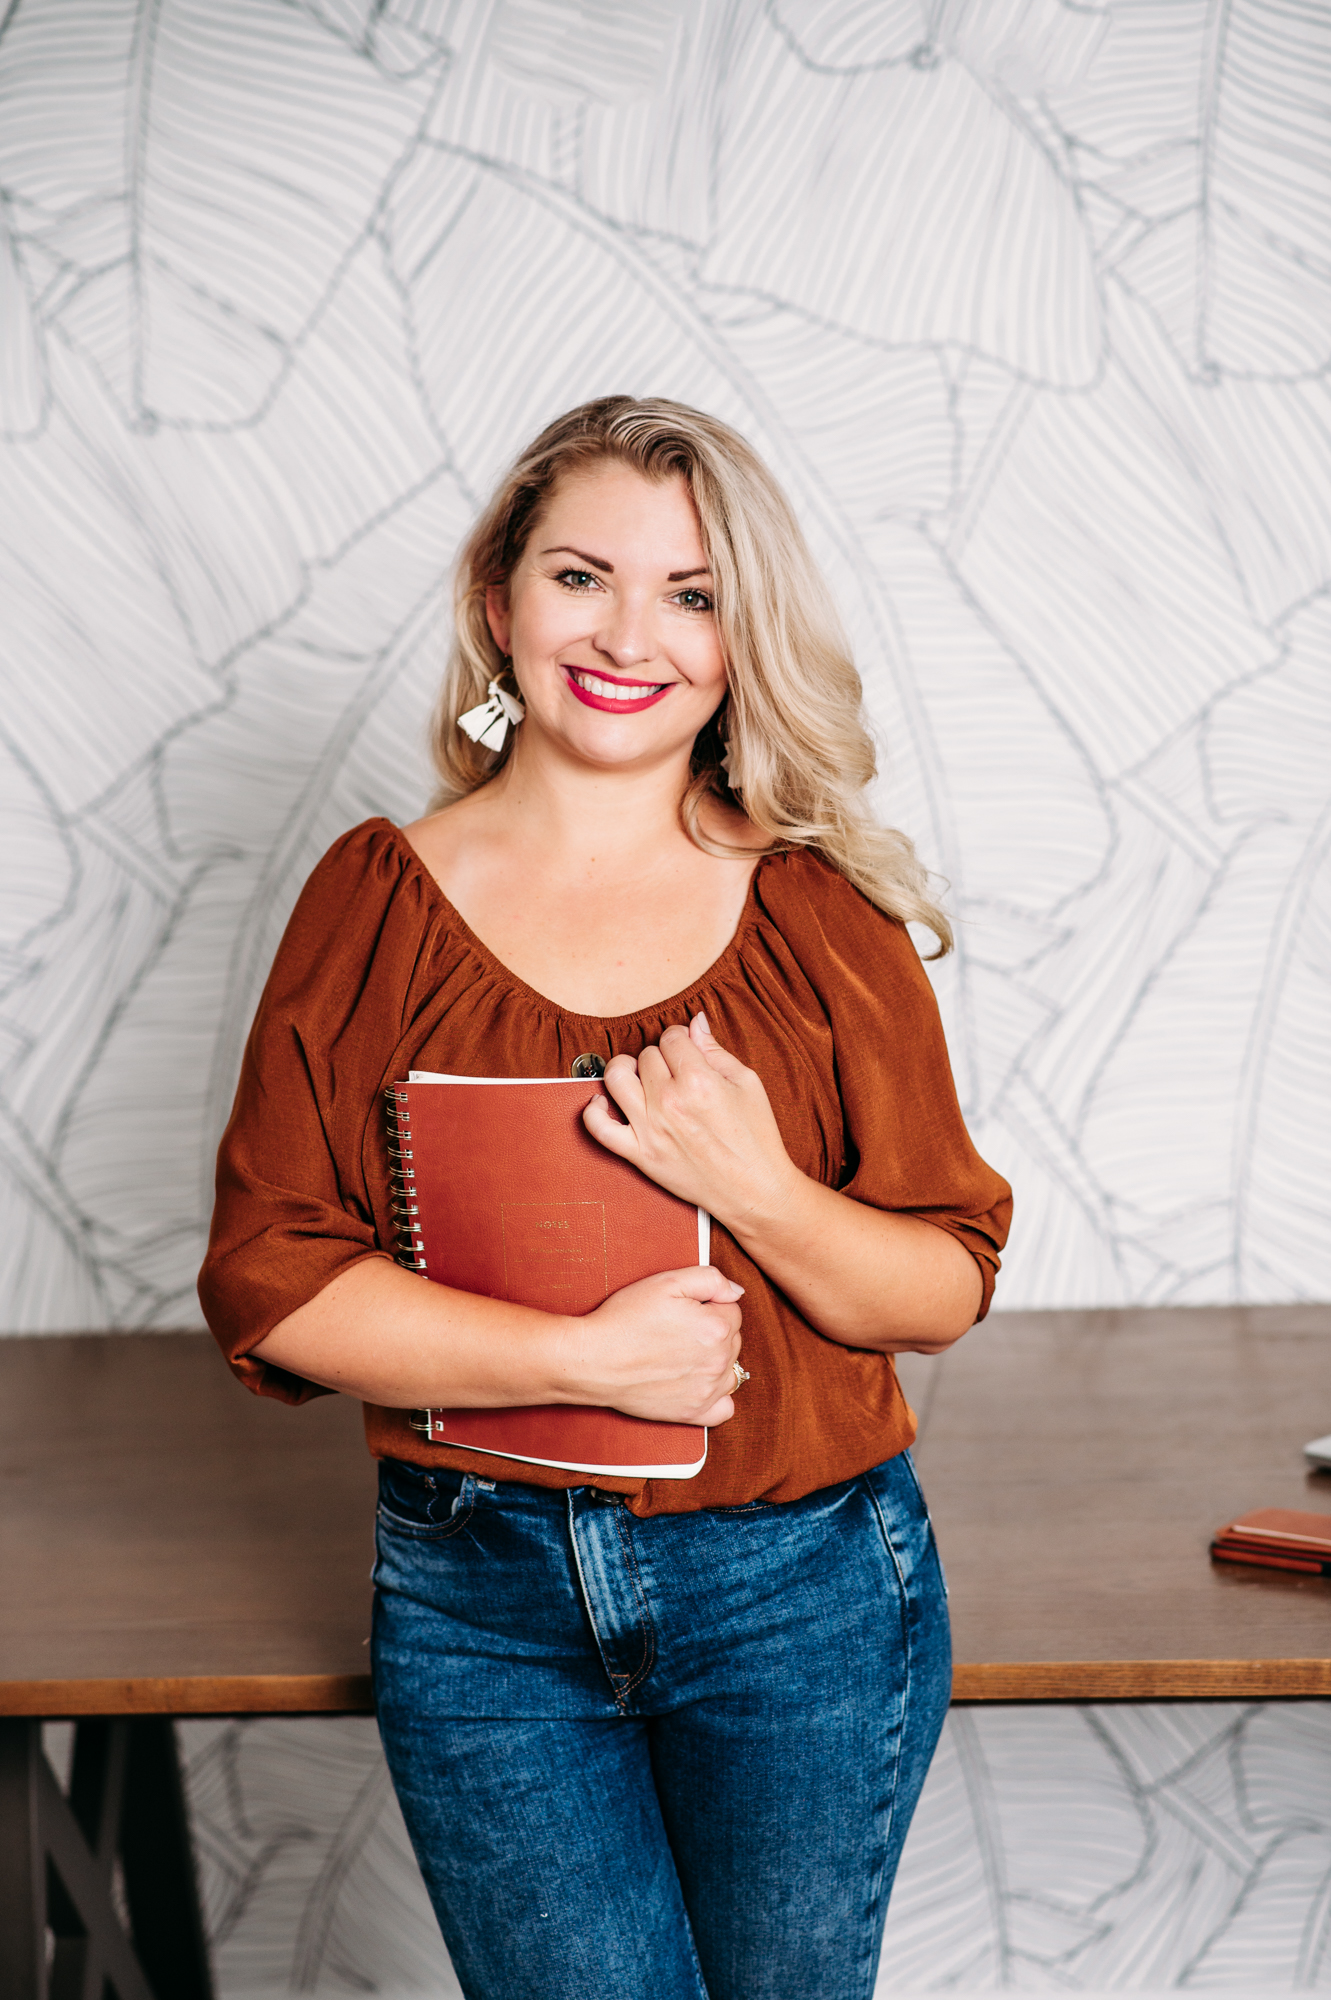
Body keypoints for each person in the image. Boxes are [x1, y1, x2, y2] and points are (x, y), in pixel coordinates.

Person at [200, 396, 1012, 2000]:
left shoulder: (812, 910)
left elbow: (940, 1287)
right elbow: (276, 1277)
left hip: (800, 1596)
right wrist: (584, 1363)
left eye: (694, 594)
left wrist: (755, 1189)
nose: (631, 632)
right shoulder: (375, 901)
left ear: (738, 639)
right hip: (477, 1601)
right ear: (499, 600)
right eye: (583, 577)